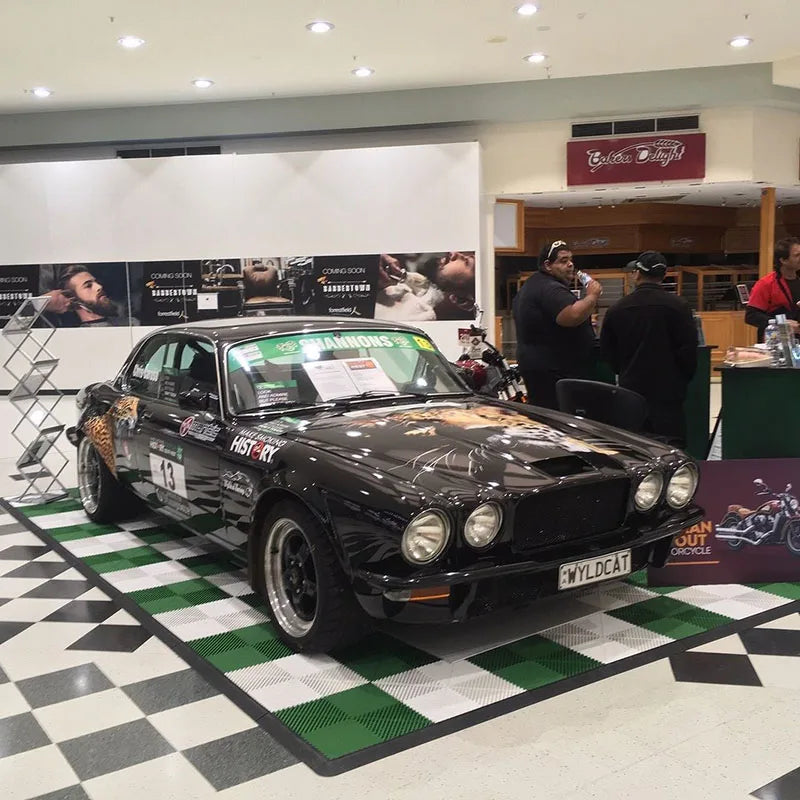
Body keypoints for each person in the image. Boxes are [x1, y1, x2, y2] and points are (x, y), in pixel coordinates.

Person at [600, 251, 697, 449]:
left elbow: (608, 352)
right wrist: (680, 379)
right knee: (672, 449)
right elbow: (688, 351)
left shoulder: (618, 309)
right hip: (669, 392)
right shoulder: (679, 307)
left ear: (636, 274)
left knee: (637, 449)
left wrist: (624, 371)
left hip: (632, 390)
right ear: (663, 275)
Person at [512, 239, 602, 409]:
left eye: (570, 260)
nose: (570, 265)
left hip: (542, 369)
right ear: (548, 265)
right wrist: (592, 295)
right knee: (558, 423)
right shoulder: (549, 288)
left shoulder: (533, 285)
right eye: (563, 261)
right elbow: (572, 316)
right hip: (553, 374)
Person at [745, 236, 800, 341]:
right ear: (783, 260)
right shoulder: (766, 283)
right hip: (774, 342)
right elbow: (751, 316)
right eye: (797, 255)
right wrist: (780, 323)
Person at [44, 264, 133, 327]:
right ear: (72, 299)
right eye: (88, 285)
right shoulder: (79, 337)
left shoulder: (132, 323)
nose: (99, 286)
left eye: (96, 282)